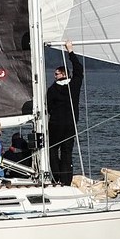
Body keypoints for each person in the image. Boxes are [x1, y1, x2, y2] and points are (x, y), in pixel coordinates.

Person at [45, 39, 83, 186]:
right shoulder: (74, 85)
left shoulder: (53, 90)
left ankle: (57, 178)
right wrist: (70, 51)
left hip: (56, 124)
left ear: (62, 74)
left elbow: (48, 107)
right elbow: (78, 70)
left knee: (53, 150)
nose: (55, 76)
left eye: (57, 74)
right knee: (67, 151)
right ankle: (66, 181)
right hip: (71, 124)